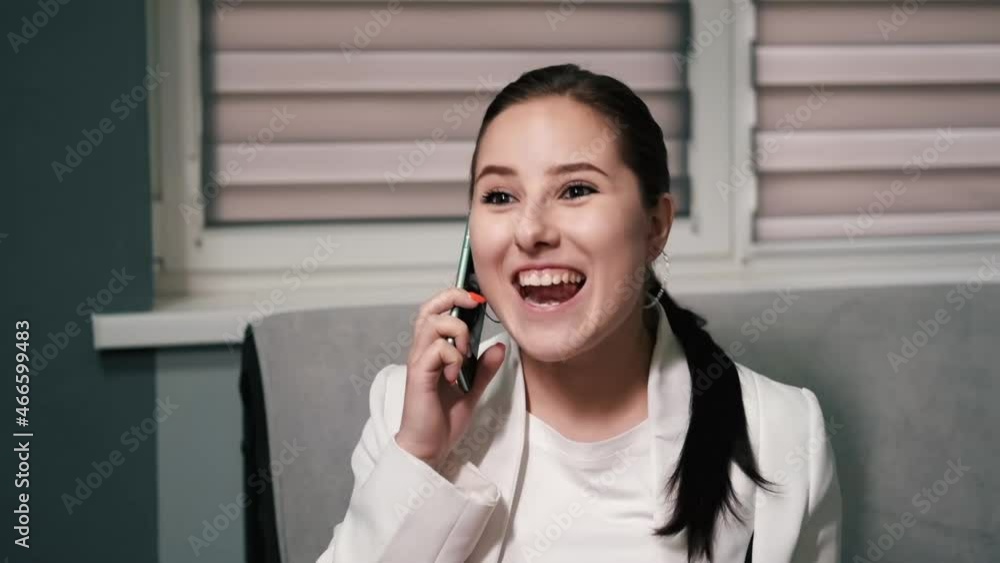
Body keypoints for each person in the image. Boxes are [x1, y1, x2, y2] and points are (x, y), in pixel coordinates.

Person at [316, 63, 841, 563]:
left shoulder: (783, 433)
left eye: (576, 190)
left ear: (655, 226)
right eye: (500, 196)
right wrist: (421, 456)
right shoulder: (404, 415)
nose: (530, 231)